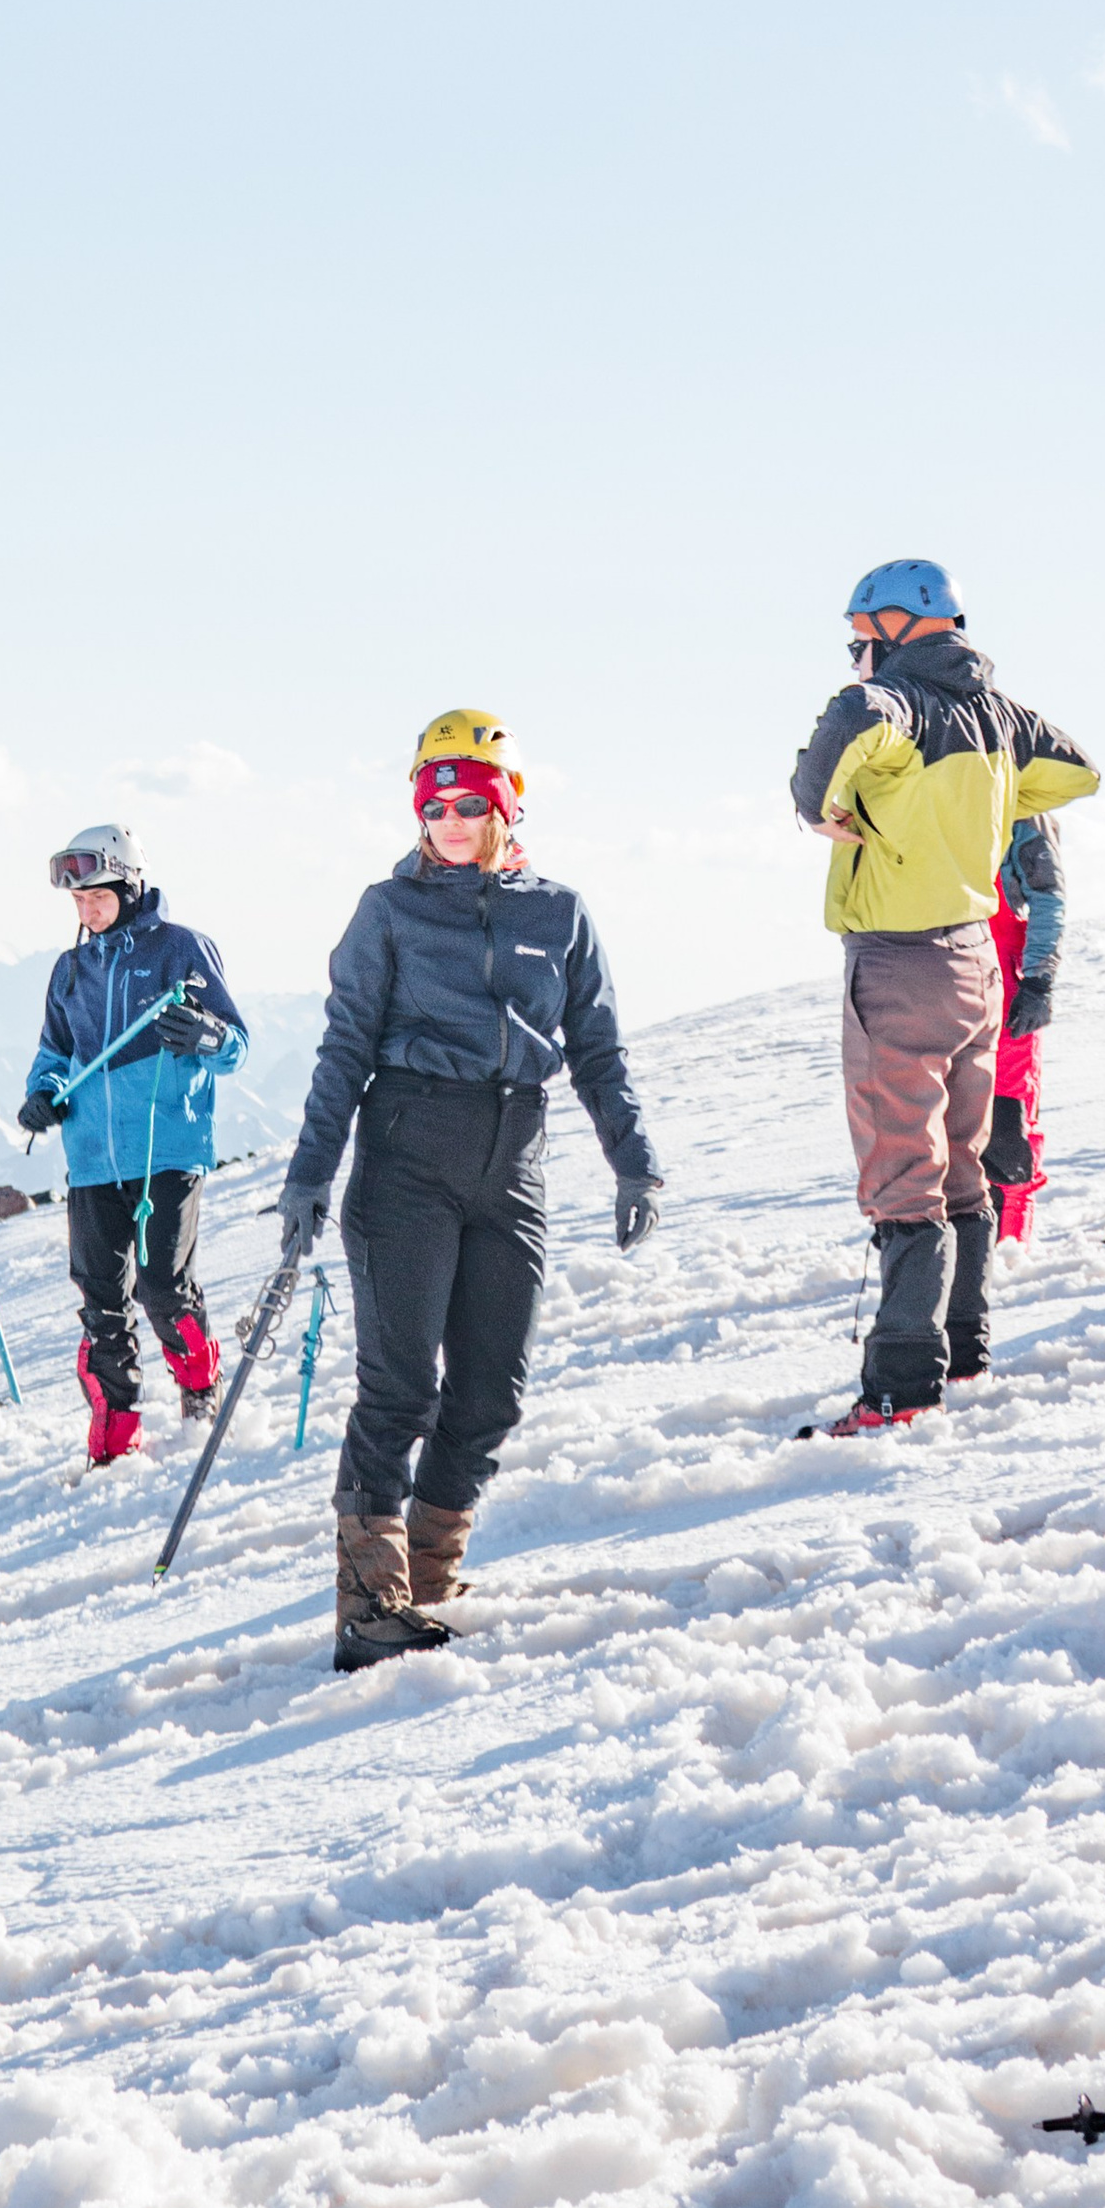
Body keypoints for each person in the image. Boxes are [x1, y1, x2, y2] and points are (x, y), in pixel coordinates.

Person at [279, 713, 663, 1672]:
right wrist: (308, 1175)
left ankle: (430, 1580)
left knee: (491, 1394)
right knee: (399, 1390)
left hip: (513, 1161)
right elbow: (343, 1049)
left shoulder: (558, 914)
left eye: (471, 802)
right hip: (408, 1151)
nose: (450, 820)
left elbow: (598, 1049)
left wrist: (634, 1159)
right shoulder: (388, 909)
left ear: (506, 805)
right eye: (435, 802)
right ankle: (371, 1608)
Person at [790, 562, 1097, 1429]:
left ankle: (898, 1384)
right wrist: (988, 801)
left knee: (902, 1170)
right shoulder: (998, 716)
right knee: (962, 1158)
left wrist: (818, 809)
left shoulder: (898, 705)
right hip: (976, 964)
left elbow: (853, 717)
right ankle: (964, 1351)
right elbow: (1078, 772)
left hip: (896, 960)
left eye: (862, 633)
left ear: (897, 624)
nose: (857, 651)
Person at [18, 824, 248, 1467]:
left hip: (168, 1147)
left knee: (162, 1289)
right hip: (91, 1157)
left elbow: (235, 1045)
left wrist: (204, 1034)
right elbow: (54, 1053)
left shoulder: (182, 950)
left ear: (128, 883)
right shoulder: (71, 969)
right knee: (101, 1301)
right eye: (78, 902)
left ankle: (200, 1386)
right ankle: (114, 1446)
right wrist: (44, 1093)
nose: (86, 912)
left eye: (97, 897)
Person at [984, 814, 1065, 1254]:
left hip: (1007, 991)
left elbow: (1049, 897)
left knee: (1007, 1123)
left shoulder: (1021, 811)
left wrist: (1037, 982)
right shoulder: (933, 790)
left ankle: (1010, 1248)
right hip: (938, 984)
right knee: (938, 1124)